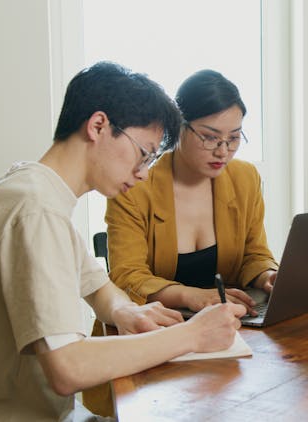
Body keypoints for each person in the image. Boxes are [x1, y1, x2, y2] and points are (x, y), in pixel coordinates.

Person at [0, 62, 248, 421]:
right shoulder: (36, 210)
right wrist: (192, 335)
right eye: (144, 153)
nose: (143, 173)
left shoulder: (31, 187)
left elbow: (97, 286)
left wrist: (127, 311)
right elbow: (69, 369)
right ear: (98, 126)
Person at [105, 69, 277, 316]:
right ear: (179, 127)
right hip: (156, 324)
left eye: (234, 138)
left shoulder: (245, 178)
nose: (223, 151)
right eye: (210, 137)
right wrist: (190, 295)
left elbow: (254, 254)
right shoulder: (134, 186)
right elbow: (127, 276)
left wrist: (267, 275)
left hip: (229, 321)